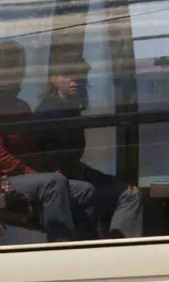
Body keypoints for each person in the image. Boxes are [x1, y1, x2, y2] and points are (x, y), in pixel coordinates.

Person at [0, 41, 98, 243]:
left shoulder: (21, 106)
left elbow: (30, 150)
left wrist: (46, 170)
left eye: (19, 68)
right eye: (10, 67)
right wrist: (34, 174)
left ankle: (88, 245)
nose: (17, 74)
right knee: (54, 184)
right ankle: (61, 246)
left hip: (21, 177)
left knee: (84, 189)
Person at [35, 59, 145, 239]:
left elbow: (71, 162)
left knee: (121, 190)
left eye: (80, 76)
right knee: (127, 196)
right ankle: (122, 251)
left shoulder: (70, 110)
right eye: (69, 76)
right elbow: (53, 160)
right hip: (57, 181)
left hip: (68, 174)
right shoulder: (51, 110)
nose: (75, 81)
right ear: (54, 79)